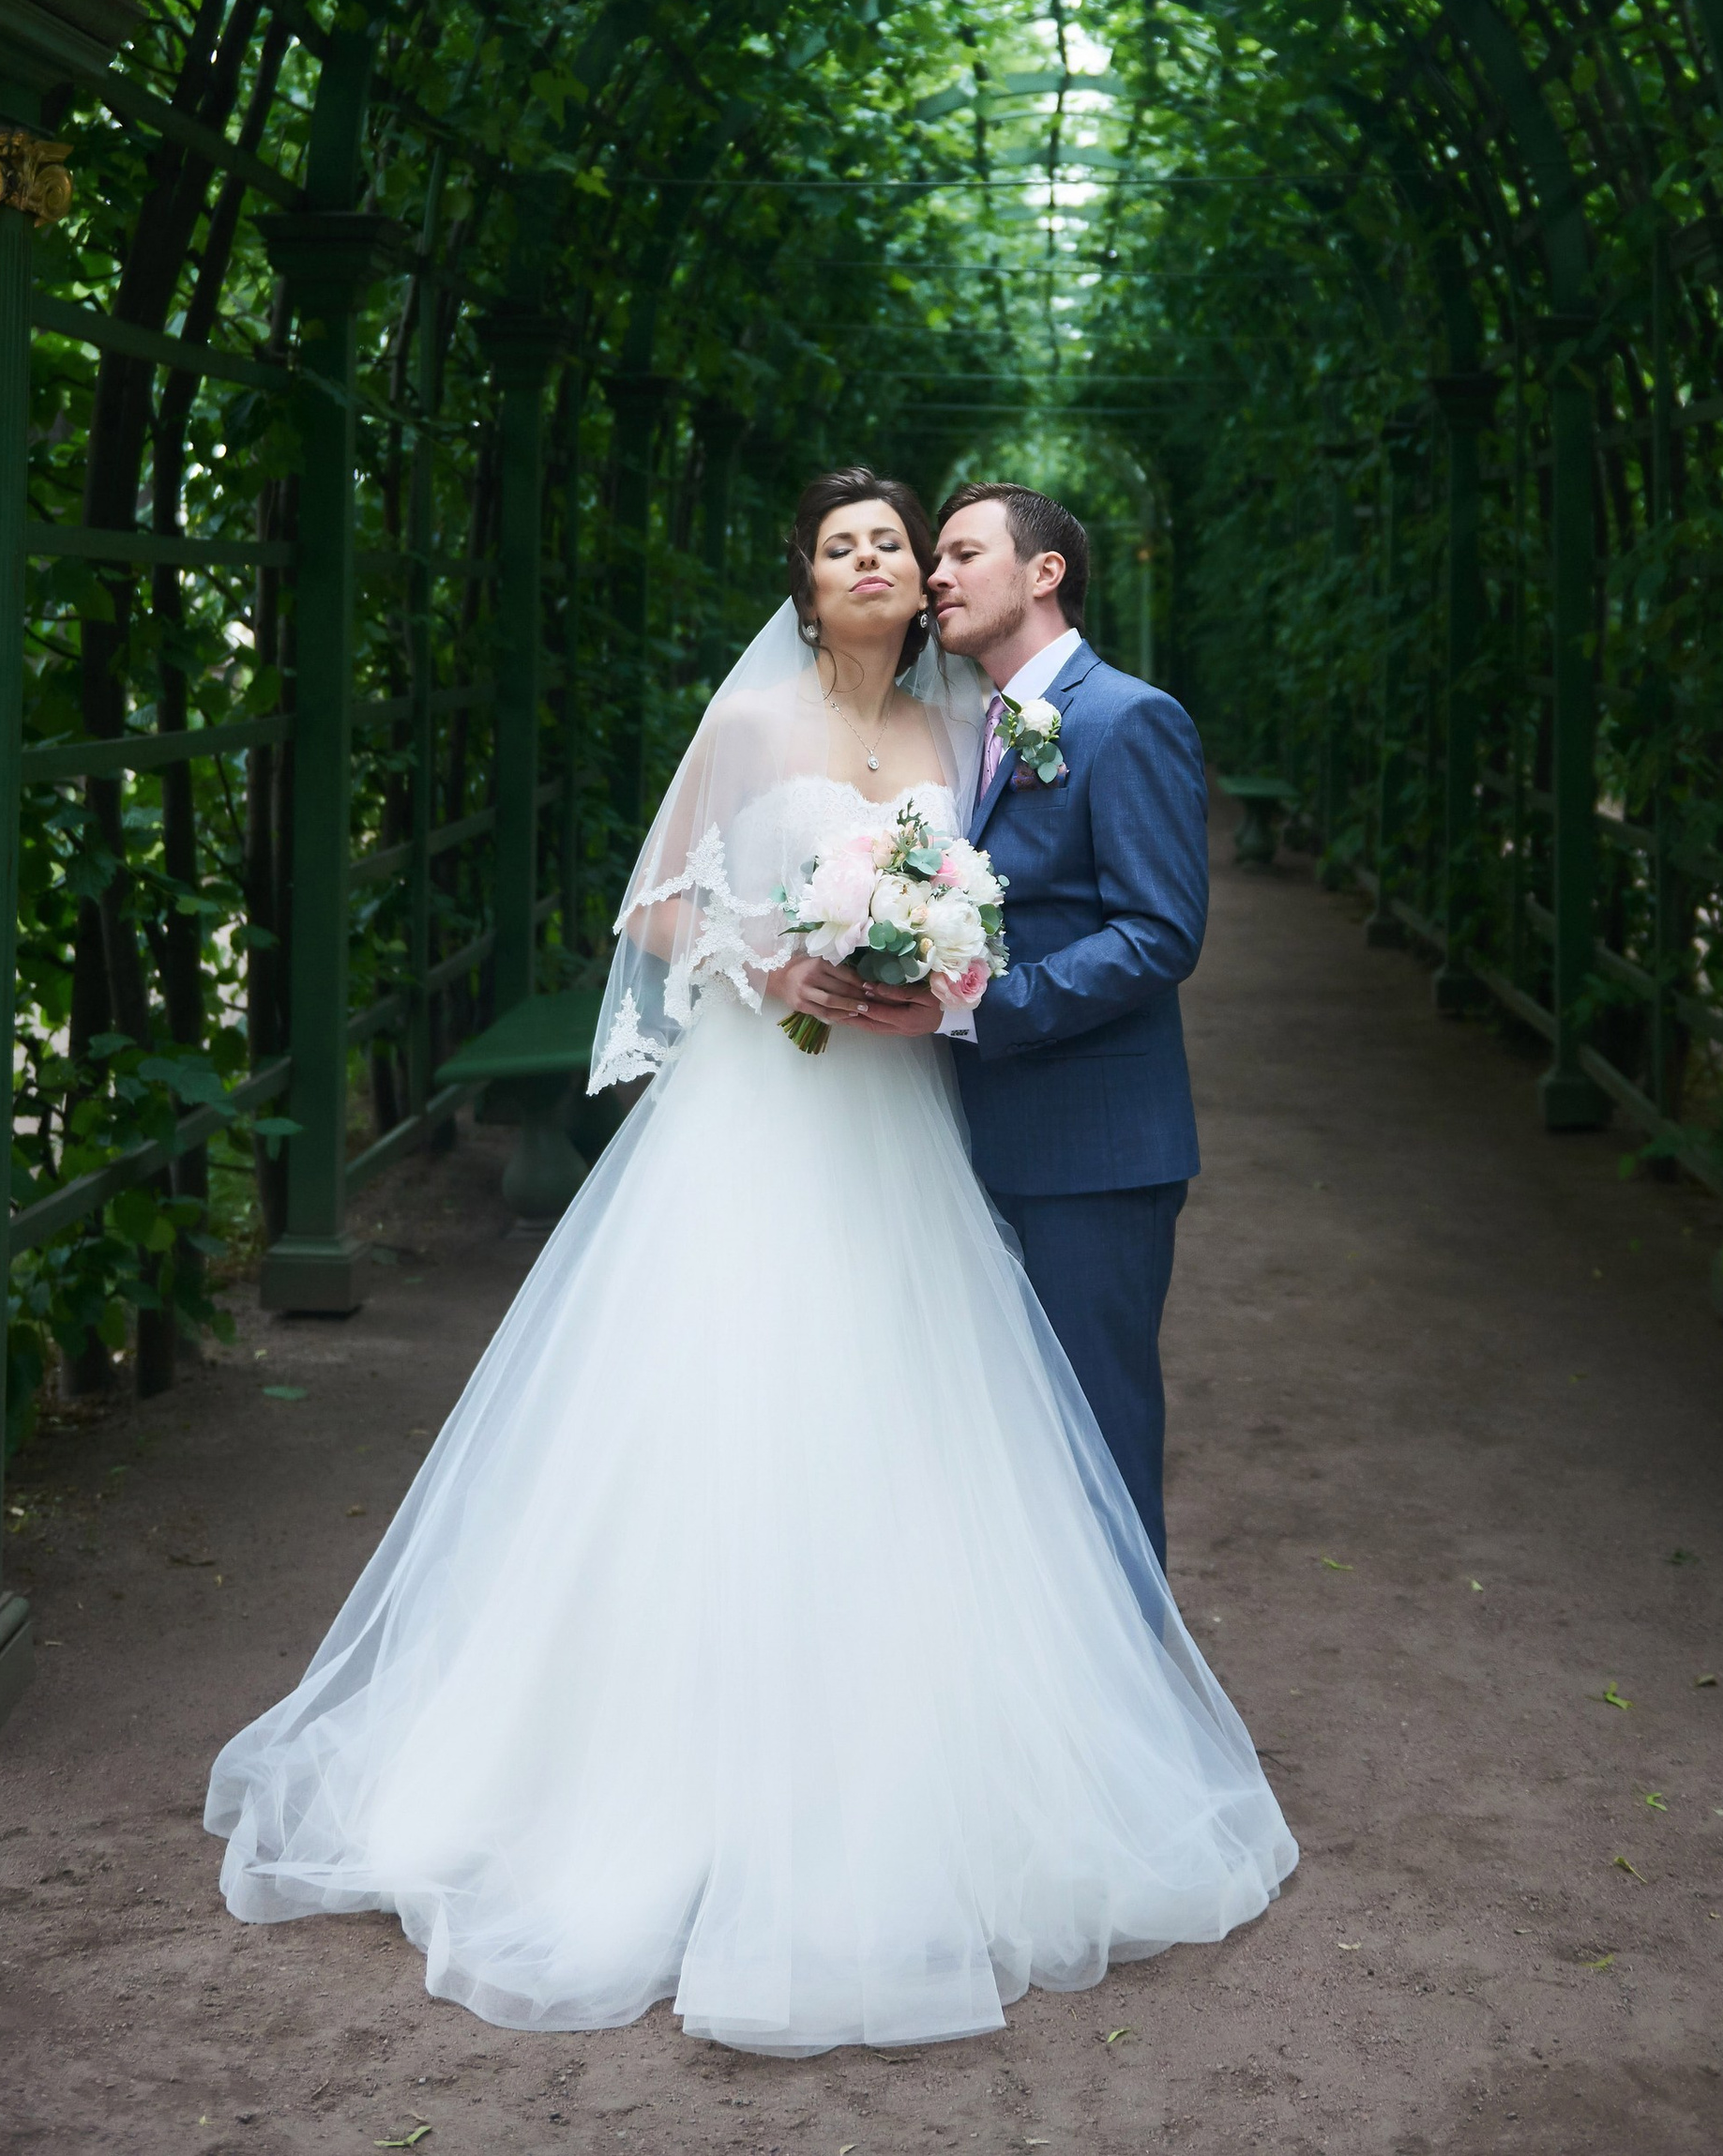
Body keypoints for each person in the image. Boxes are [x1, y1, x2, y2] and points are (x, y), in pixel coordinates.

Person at [204, 466, 1292, 2056]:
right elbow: (660, 906)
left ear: (969, 579)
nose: (889, 564)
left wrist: (934, 970)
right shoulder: (769, 723)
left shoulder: (971, 736)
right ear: (806, 579)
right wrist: (774, 957)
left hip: (917, 1114)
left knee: (944, 1432)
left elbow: (1027, 912)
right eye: (851, 545)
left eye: (914, 546)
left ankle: (1010, 1742)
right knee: (731, 1408)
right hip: (772, 1105)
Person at [863, 483, 1207, 1567]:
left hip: (1092, 1152)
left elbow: (1159, 933)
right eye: (937, 561)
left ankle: (1135, 1724)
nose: (936, 577)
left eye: (963, 553)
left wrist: (967, 1006)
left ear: (1044, 572)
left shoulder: (1127, 717)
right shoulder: (975, 735)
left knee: (1095, 1438)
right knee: (1000, 1443)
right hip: (976, 1138)